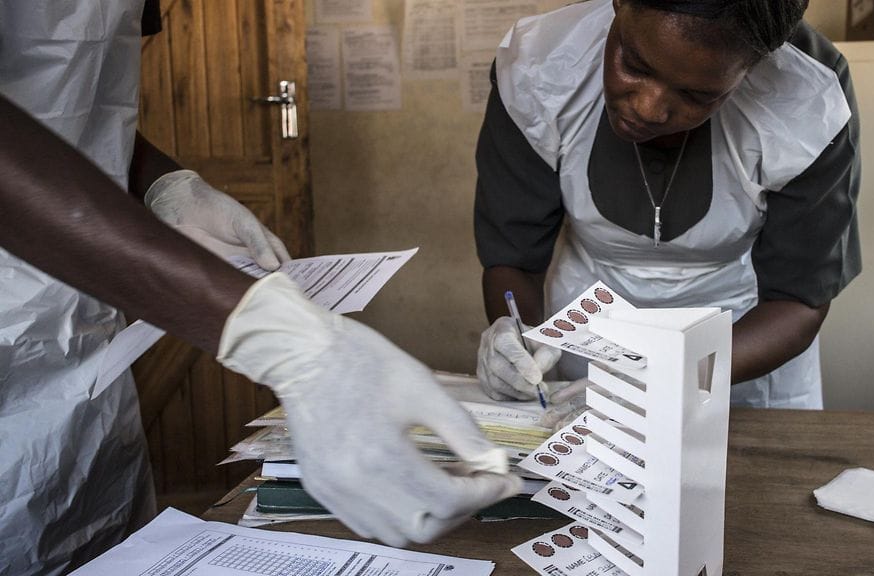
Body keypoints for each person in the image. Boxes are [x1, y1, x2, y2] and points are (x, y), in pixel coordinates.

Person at [0, 2, 519, 573]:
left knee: (102, 542)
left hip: (82, 332)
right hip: (14, 318)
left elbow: (72, 107)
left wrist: (164, 185)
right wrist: (280, 340)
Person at [474, 0, 860, 423]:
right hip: (592, 330)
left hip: (744, 341)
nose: (648, 108)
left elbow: (798, 301)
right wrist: (518, 339)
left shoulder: (811, 97)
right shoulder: (539, 66)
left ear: (755, 67)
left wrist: (672, 374)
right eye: (635, 64)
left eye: (697, 95)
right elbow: (513, 257)